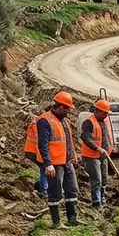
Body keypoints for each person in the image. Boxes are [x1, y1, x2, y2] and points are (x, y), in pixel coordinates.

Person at [24, 91, 80, 229]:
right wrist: (48, 164)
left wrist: (72, 155)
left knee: (72, 189)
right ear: (59, 106)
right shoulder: (45, 120)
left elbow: (68, 140)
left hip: (66, 161)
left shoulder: (65, 121)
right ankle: (56, 222)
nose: (68, 111)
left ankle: (72, 219)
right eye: (66, 108)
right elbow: (42, 145)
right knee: (54, 192)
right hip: (54, 163)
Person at [80, 99, 115, 208]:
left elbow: (107, 137)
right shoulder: (88, 122)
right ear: (97, 111)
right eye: (104, 113)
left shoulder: (104, 122)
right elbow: (85, 138)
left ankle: (102, 198)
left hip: (103, 156)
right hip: (91, 156)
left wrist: (110, 148)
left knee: (104, 179)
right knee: (96, 180)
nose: (106, 115)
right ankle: (96, 202)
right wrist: (98, 148)